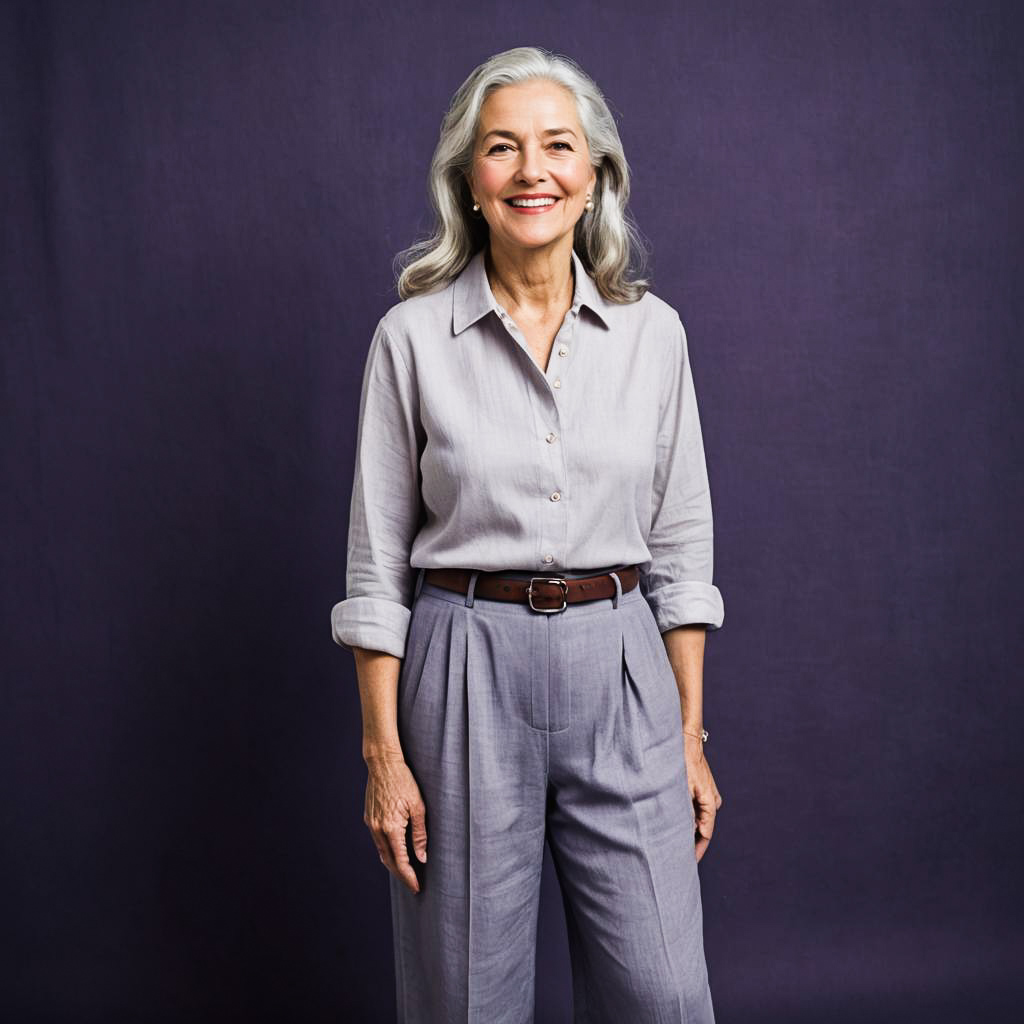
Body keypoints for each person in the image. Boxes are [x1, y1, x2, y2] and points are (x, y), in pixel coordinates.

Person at [331, 45, 725, 1024]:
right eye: (501, 148)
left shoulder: (654, 336)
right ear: (470, 181)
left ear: (595, 175)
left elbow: (680, 547)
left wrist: (685, 733)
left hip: (622, 664)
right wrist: (385, 761)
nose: (531, 169)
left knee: (665, 993)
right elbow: (376, 571)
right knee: (468, 1000)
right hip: (465, 662)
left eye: (556, 145)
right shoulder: (411, 339)